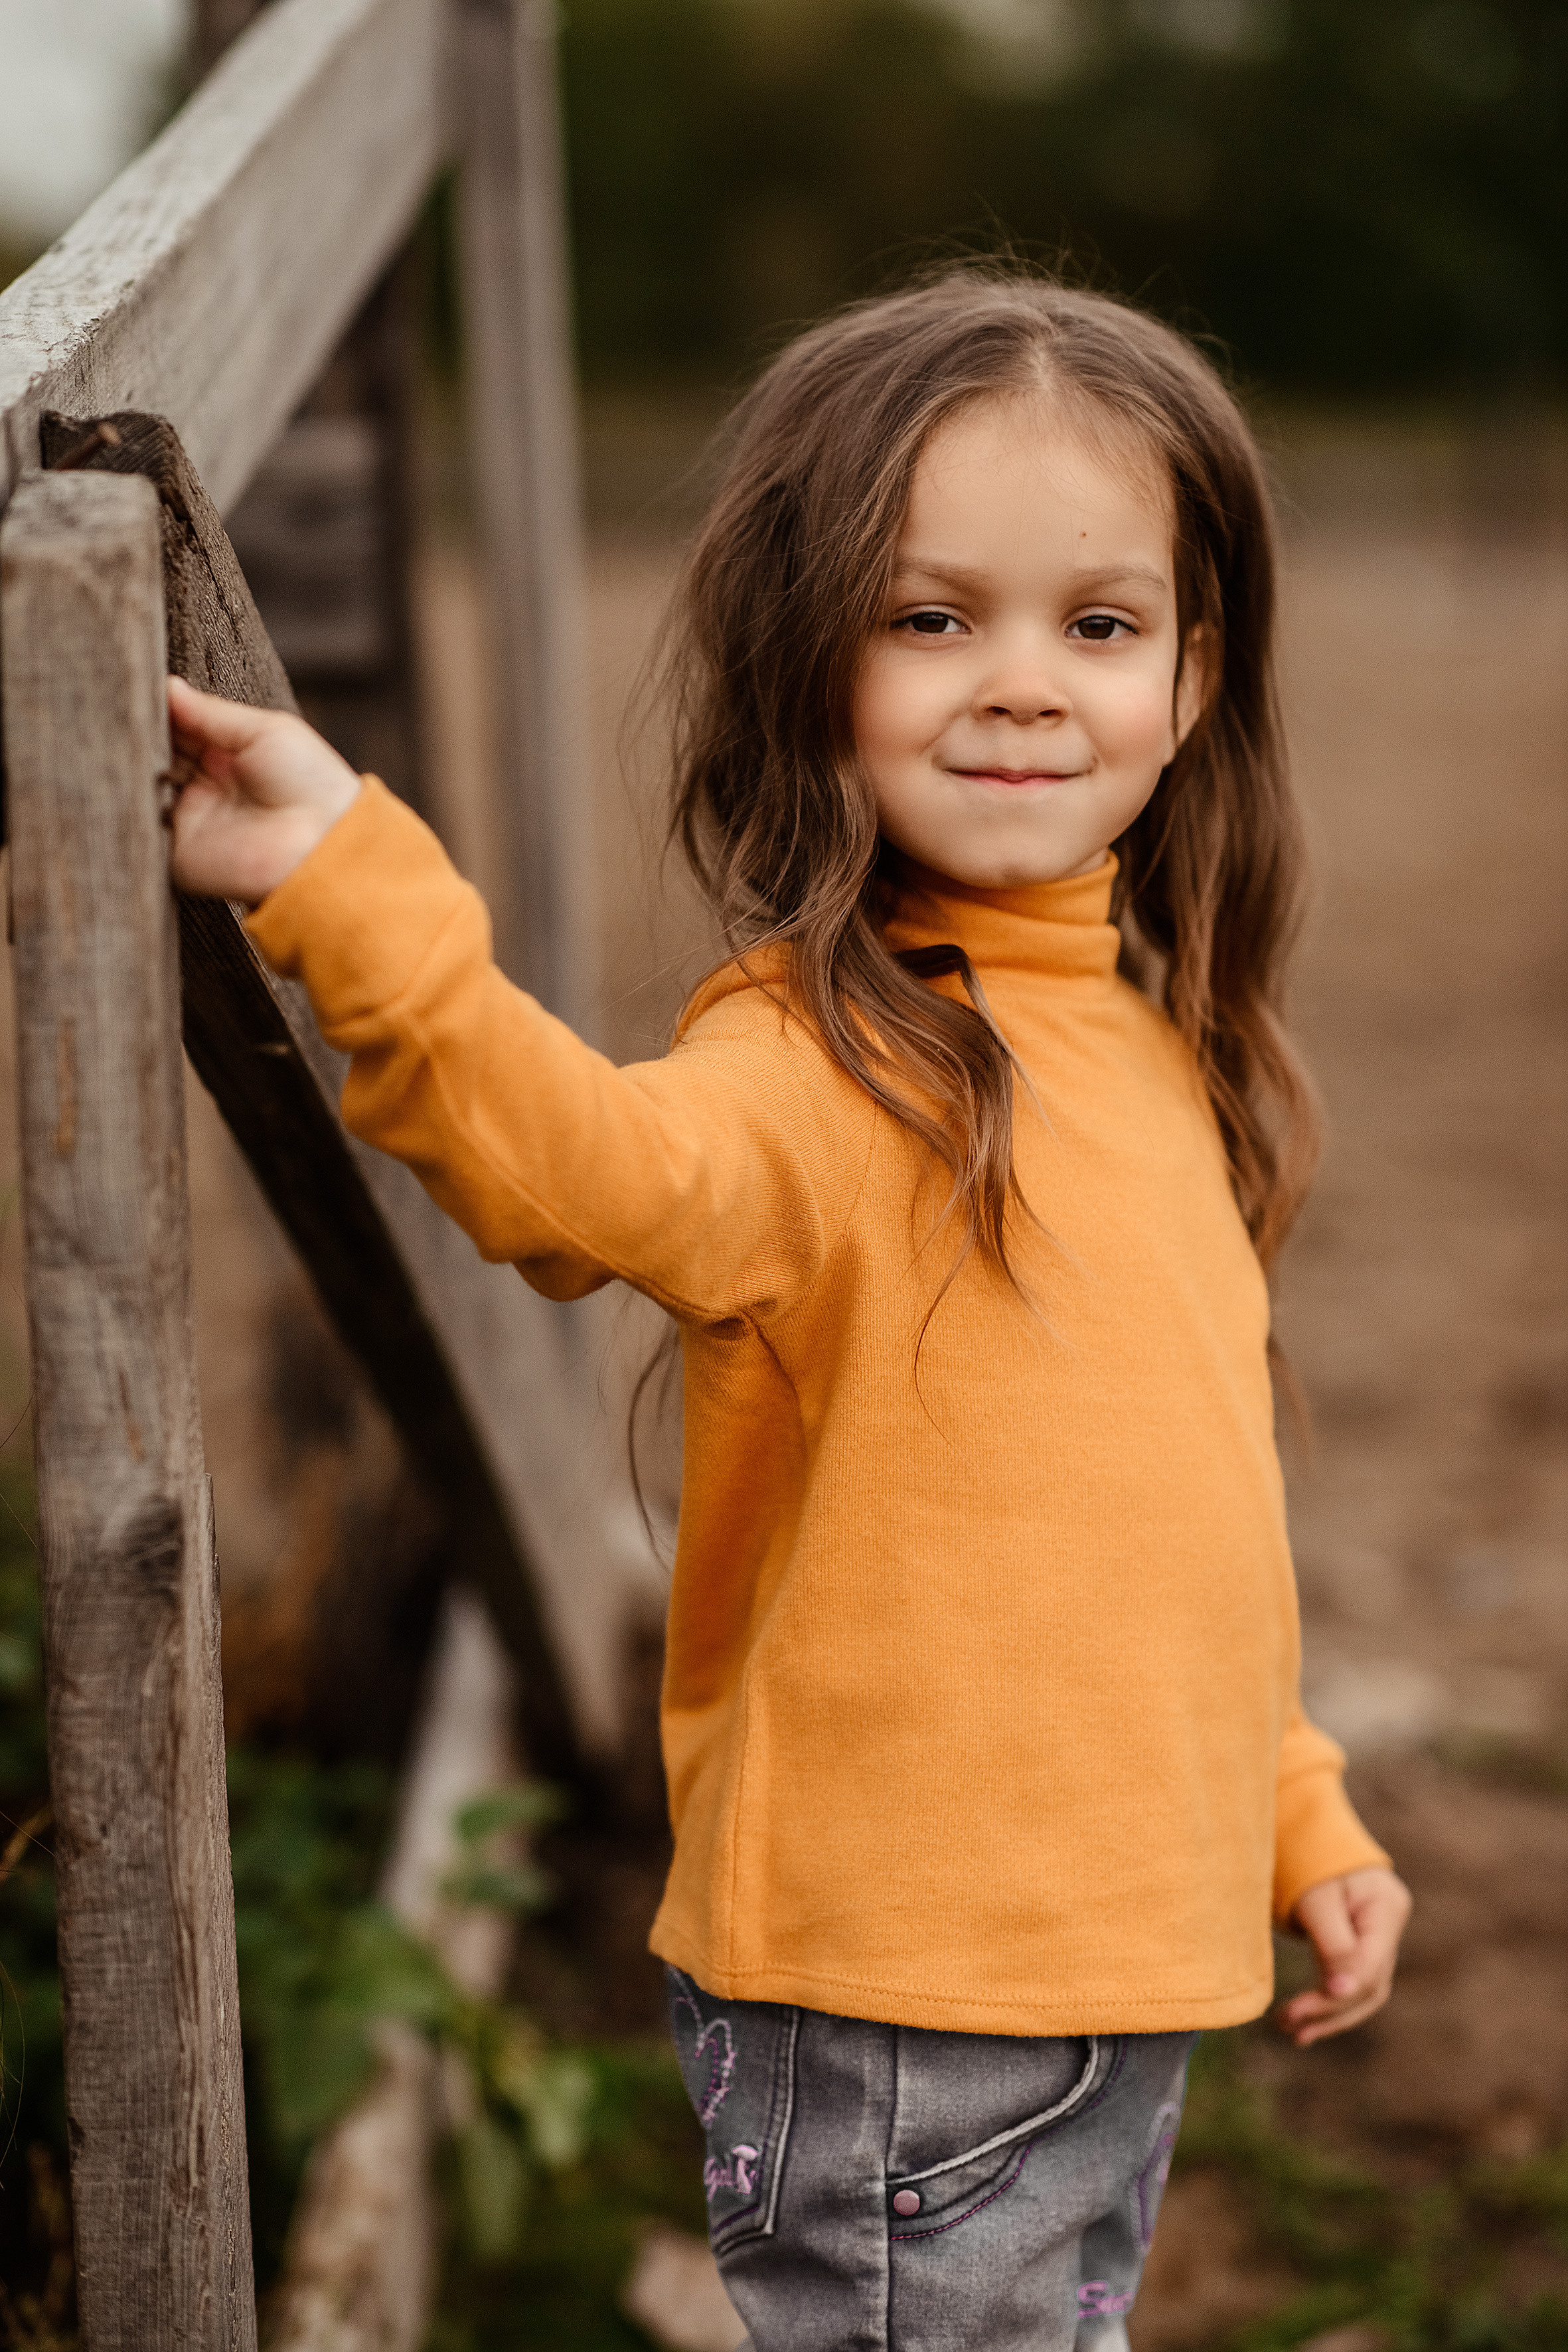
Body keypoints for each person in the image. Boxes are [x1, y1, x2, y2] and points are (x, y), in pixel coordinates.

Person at [168, 268, 1412, 2351]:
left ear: (1192, 681)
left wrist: (1291, 1803)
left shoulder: (1157, 1051)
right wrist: (348, 880)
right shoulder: (825, 1068)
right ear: (803, 667)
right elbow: (576, 1173)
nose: (1019, 685)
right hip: (905, 2002)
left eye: (1094, 626)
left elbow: (1178, 1524)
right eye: (931, 620)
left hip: (1116, 1959)